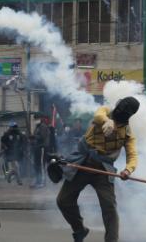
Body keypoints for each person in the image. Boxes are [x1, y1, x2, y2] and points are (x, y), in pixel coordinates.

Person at [55, 97, 140, 242]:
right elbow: (98, 115)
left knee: (110, 208)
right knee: (63, 200)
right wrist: (107, 121)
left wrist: (128, 170)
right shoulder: (105, 112)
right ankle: (79, 229)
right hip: (82, 163)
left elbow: (132, 156)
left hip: (104, 171)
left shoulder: (127, 134)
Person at [31, 115, 50, 188]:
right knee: (37, 165)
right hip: (37, 148)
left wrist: (34, 137)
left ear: (40, 119)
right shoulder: (37, 127)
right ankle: (38, 180)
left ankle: (42, 181)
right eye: (35, 118)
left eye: (37, 118)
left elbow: (43, 137)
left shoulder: (43, 126)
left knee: (42, 165)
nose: (36, 120)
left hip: (42, 148)